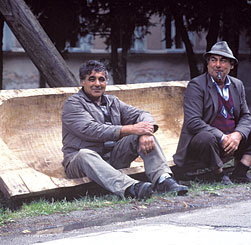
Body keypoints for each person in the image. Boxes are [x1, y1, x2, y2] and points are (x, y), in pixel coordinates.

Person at [62, 60, 188, 199]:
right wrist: (132, 129)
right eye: (92, 79)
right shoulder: (73, 104)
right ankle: (131, 188)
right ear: (82, 82)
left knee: (143, 136)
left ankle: (163, 180)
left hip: (112, 158)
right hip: (81, 163)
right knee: (85, 154)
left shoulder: (112, 101)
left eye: (101, 79)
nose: (97, 84)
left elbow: (142, 114)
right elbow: (91, 130)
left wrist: (145, 132)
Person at [173, 41, 251, 185]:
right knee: (205, 138)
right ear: (208, 64)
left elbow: (245, 116)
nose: (218, 65)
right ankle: (219, 175)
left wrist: (237, 135)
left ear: (231, 65)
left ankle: (240, 171)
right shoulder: (196, 85)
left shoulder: (237, 85)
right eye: (213, 60)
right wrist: (222, 137)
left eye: (223, 60)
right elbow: (193, 122)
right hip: (207, 144)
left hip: (232, 142)